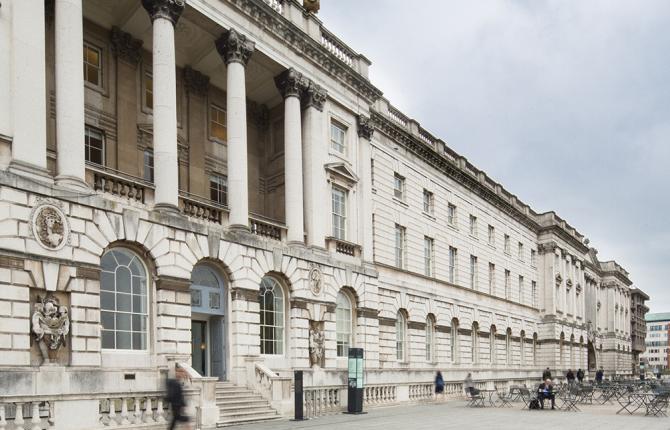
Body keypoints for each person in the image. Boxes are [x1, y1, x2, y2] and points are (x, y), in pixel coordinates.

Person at [167, 365, 192, 430]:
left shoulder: (177, 383)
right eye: (180, 372)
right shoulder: (173, 382)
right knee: (178, 418)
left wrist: (183, 405)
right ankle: (188, 426)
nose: (181, 374)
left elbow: (179, 395)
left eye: (181, 373)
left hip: (177, 405)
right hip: (176, 405)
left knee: (175, 419)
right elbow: (173, 394)